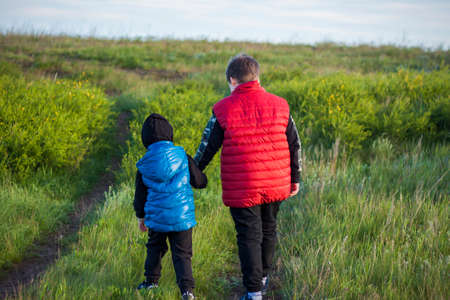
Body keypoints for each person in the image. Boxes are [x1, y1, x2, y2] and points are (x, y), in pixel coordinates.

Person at [194, 54, 302, 300]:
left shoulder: (222, 109)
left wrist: (192, 173)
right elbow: (294, 144)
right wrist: (295, 178)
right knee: (269, 229)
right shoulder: (281, 105)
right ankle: (262, 278)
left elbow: (207, 147)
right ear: (257, 77)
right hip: (277, 182)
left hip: (243, 185)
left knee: (248, 235)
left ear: (232, 79)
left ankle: (253, 292)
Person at [133, 113, 207, 300]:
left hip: (157, 219)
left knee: (154, 248)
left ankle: (151, 282)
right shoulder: (183, 156)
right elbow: (199, 181)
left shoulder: (144, 165)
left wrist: (141, 217)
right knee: (182, 254)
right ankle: (187, 291)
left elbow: (140, 197)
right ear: (170, 135)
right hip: (181, 217)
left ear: (145, 140)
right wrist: (201, 177)